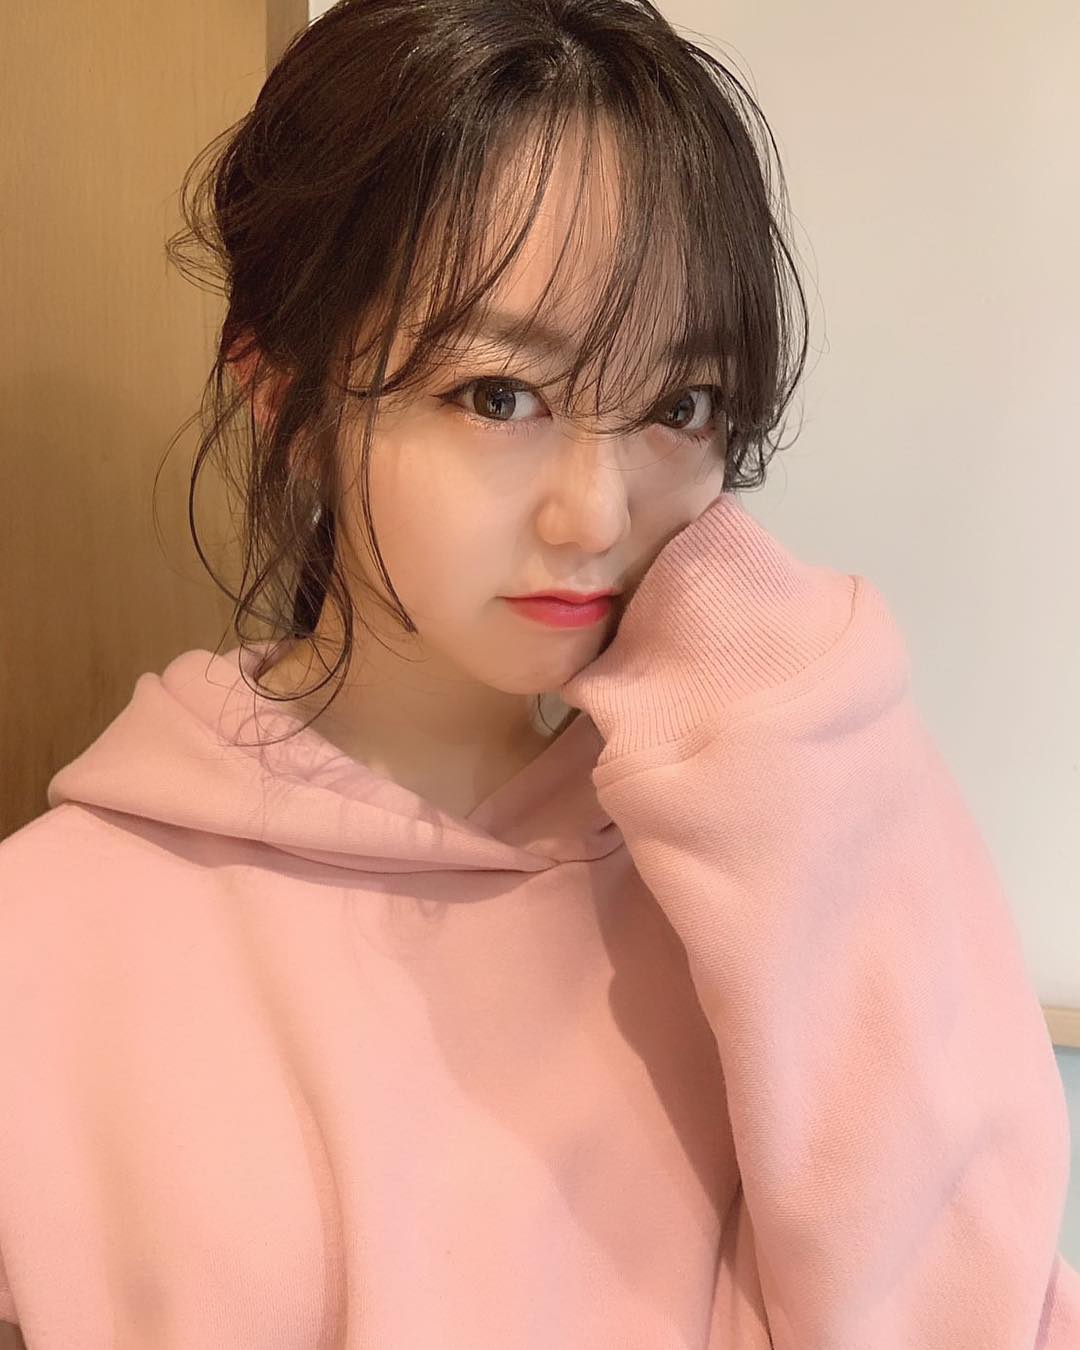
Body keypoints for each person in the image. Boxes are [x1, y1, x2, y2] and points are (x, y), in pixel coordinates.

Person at [1, 1, 1077, 1345]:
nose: (595, 512)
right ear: (288, 401)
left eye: (679, 405)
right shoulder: (50, 938)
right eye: (499, 395)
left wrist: (826, 754)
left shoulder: (767, 856)